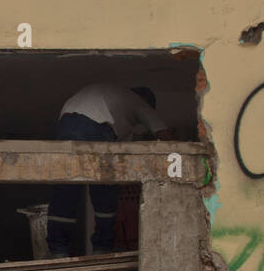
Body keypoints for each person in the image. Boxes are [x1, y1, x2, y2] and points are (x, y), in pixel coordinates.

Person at [46, 85, 171, 257]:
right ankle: (102, 246)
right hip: (94, 126)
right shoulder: (137, 101)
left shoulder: (117, 106)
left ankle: (58, 248)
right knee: (105, 188)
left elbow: (123, 151)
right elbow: (163, 134)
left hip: (66, 122)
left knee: (67, 186)